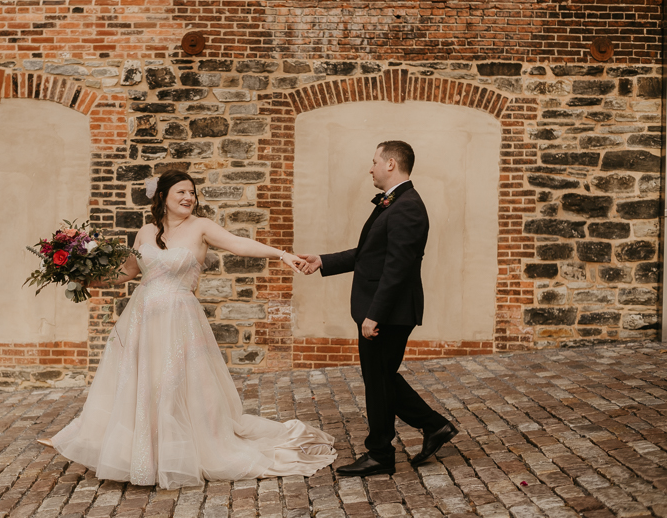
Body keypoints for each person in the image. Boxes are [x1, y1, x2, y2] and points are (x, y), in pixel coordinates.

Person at [37, 169, 336, 489]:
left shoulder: (201, 227)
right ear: (163, 197)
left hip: (179, 318)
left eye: (192, 192)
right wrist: (81, 276)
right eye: (181, 192)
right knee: (140, 383)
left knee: (175, 383)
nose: (188, 198)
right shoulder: (145, 232)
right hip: (144, 316)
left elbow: (238, 244)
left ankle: (177, 453)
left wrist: (282, 255)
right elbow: (125, 273)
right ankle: (134, 451)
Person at [299, 140, 457, 476]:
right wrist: (322, 261)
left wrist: (375, 315)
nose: (369, 168)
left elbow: (397, 268)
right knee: (380, 378)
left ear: (390, 164)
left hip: (390, 313)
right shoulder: (395, 203)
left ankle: (388, 450)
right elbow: (368, 254)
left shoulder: (408, 207)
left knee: (379, 378)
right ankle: (421, 433)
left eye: (373, 162)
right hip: (385, 310)